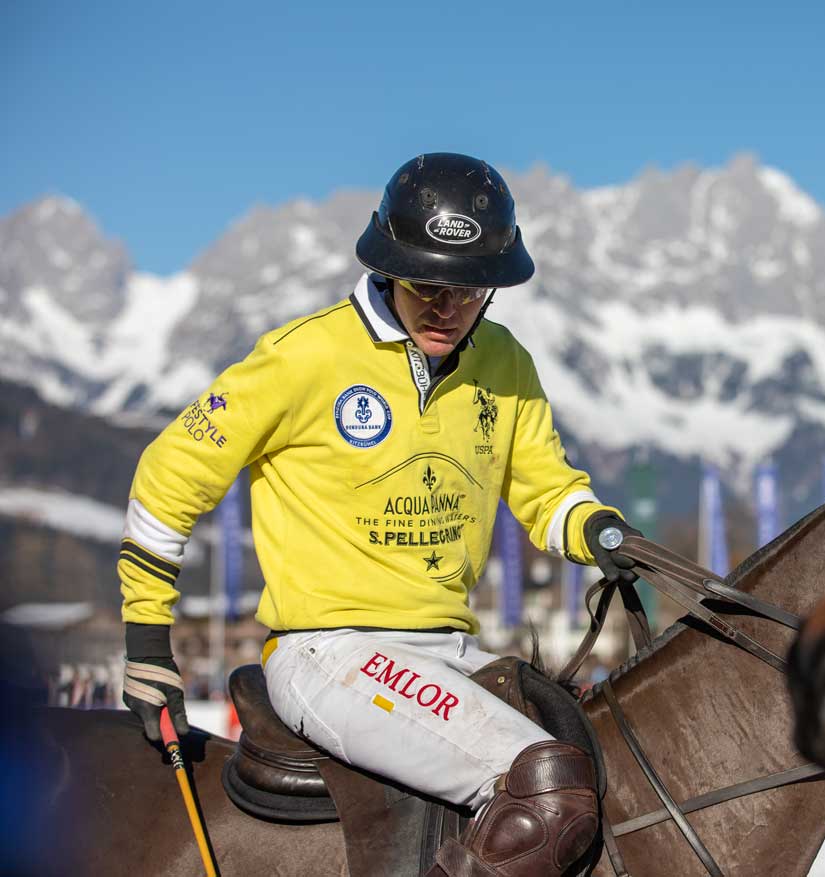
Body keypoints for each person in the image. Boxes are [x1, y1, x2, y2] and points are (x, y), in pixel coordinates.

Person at [117, 153, 640, 876]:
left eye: (469, 289)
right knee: (545, 788)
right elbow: (170, 472)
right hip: (329, 652)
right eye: (427, 282)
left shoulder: (506, 362)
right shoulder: (305, 356)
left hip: (450, 649)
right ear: (390, 265)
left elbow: (546, 491)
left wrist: (597, 528)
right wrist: (147, 645)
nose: (446, 306)